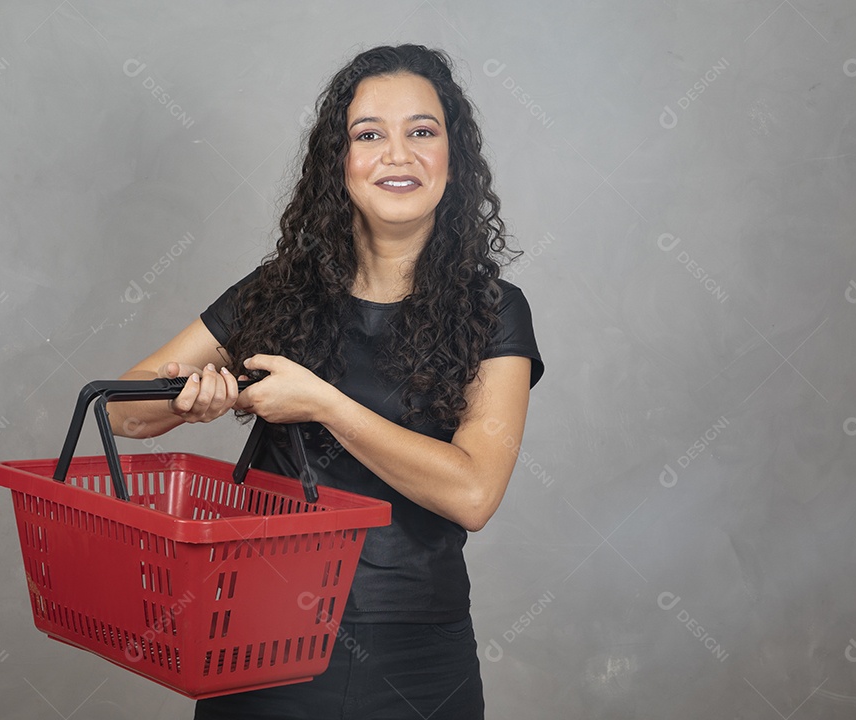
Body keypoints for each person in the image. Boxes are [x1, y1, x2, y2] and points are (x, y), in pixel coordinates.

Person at [107, 44, 544, 720]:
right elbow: (122, 412)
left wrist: (324, 405)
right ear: (338, 163)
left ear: (452, 158)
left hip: (418, 660)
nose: (397, 154)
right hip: (258, 645)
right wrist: (185, 401)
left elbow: (474, 491)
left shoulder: (495, 311)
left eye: (421, 131)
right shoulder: (277, 292)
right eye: (369, 134)